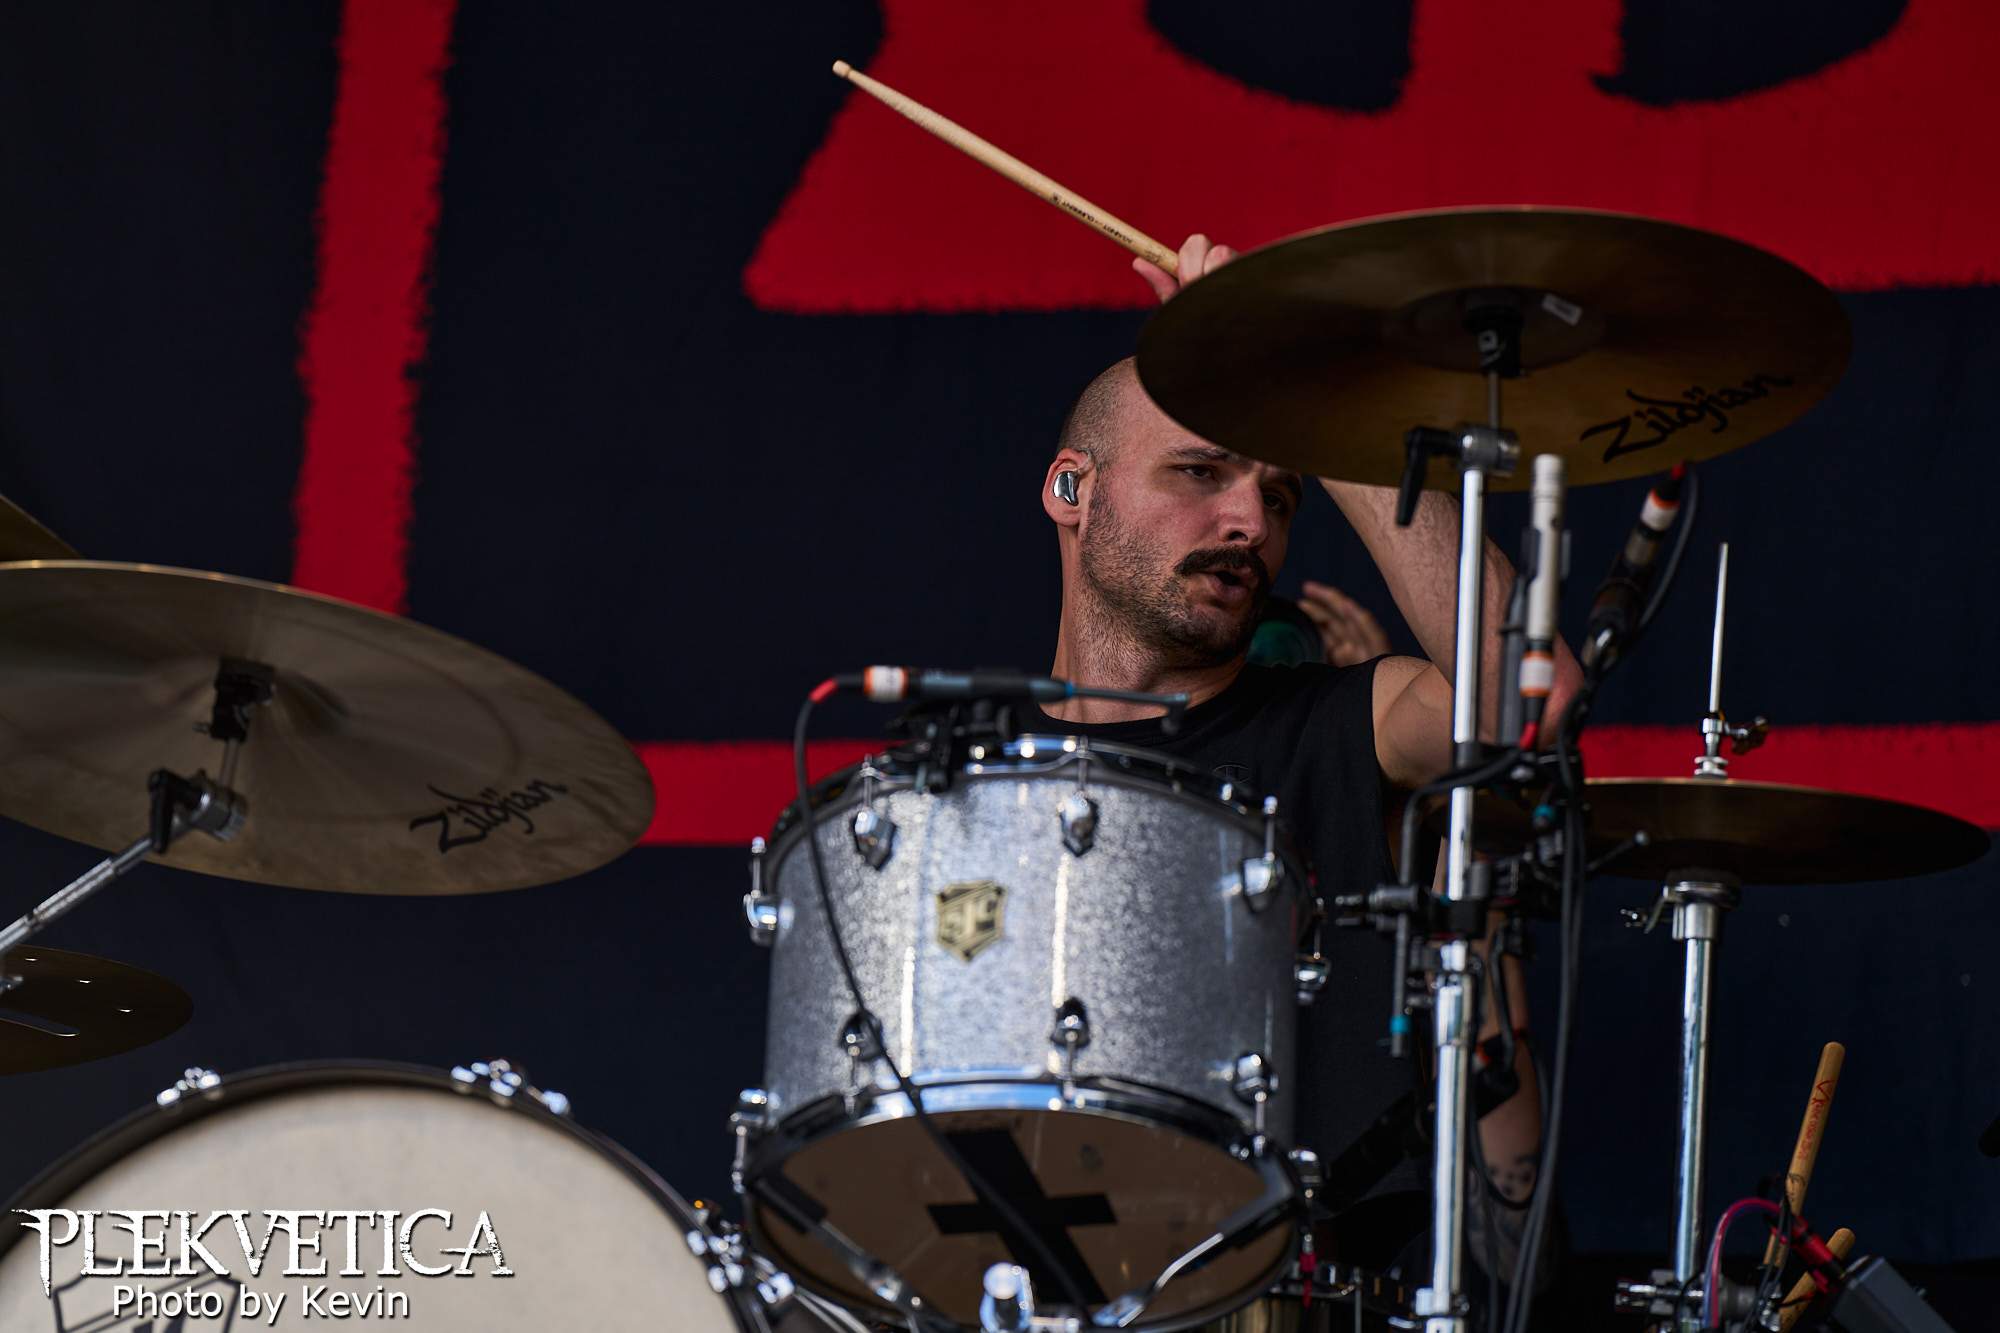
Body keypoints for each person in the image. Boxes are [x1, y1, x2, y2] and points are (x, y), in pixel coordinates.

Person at [1017, 233, 1583, 1296]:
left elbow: (1522, 695)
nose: (1248, 522)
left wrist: (1314, 391)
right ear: (1069, 487)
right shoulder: (956, 778)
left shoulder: (1345, 723)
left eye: (1280, 496)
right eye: (1199, 471)